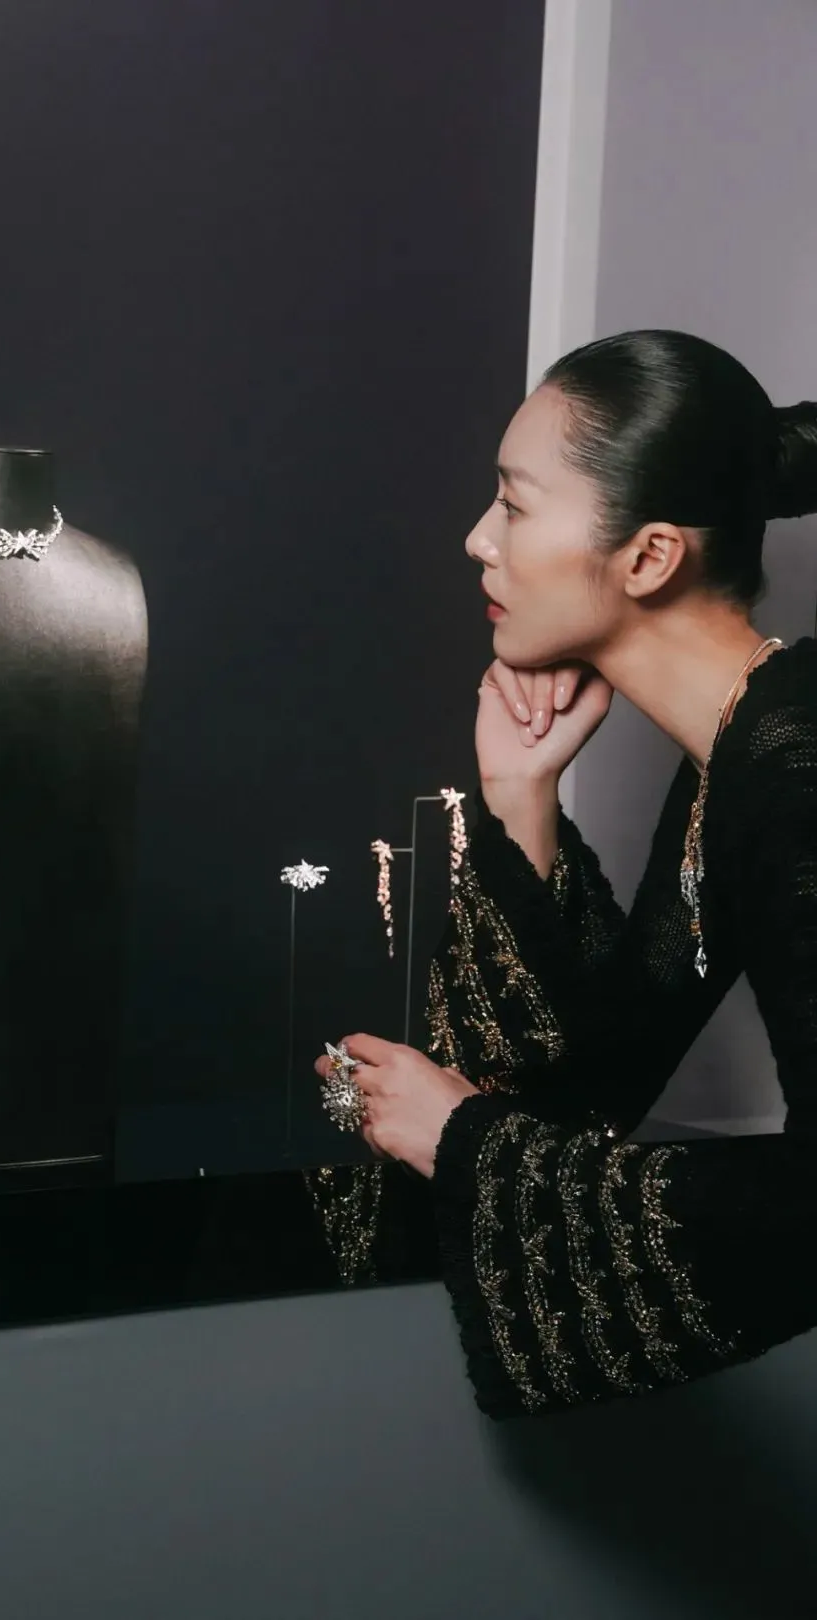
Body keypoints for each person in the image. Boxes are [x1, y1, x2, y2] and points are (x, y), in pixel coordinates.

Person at [310, 329, 817, 1419]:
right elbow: (612, 1063)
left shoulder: (796, 764)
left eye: (514, 504)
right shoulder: (738, 754)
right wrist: (520, 795)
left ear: (649, 558)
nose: (477, 539)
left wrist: (463, 1139)